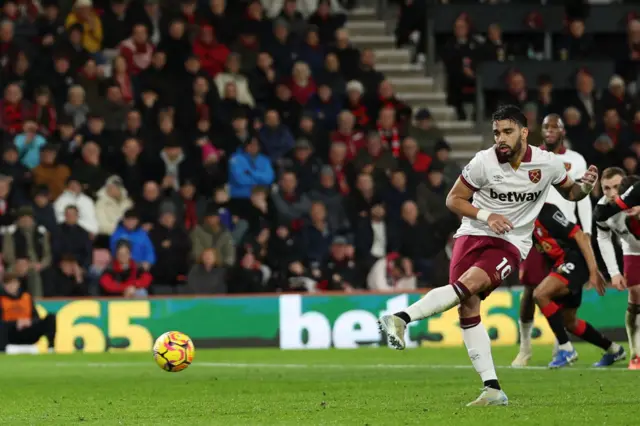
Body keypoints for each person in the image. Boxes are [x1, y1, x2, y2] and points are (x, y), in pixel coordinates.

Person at [378, 105, 599, 406]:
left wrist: (586, 186)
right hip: (471, 234)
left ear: (523, 132)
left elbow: (572, 193)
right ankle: (492, 388)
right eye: (496, 133)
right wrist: (487, 214)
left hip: (509, 242)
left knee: (468, 285)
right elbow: (453, 199)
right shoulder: (483, 162)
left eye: (507, 132)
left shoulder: (548, 164)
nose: (500, 139)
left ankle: (401, 318)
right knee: (466, 306)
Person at [513, 113, 593, 366]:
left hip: (566, 234)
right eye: (545, 127)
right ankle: (525, 347)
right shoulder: (533, 157)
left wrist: (587, 230)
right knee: (529, 291)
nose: (549, 131)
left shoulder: (575, 160)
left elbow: (583, 197)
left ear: (563, 130)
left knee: (561, 293)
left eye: (554, 127)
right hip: (535, 231)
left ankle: (561, 348)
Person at [514, 203, 624, 368]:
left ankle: (566, 349)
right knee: (569, 321)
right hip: (561, 265)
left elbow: (580, 236)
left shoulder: (547, 212)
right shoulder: (523, 221)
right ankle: (614, 349)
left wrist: (593, 270)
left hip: (573, 261)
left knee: (540, 294)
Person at [595, 168, 640, 369]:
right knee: (635, 294)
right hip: (633, 249)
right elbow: (603, 238)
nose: (613, 193)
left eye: (617, 187)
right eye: (607, 188)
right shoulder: (604, 211)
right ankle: (636, 354)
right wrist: (614, 272)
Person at [0, 272, 56, 353]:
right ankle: (2, 350)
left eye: (14, 283)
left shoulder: (26, 297)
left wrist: (30, 322)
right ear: (4, 286)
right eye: (9, 284)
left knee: (51, 317)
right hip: (11, 332)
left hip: (28, 330)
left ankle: (51, 348)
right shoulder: (2, 299)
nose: (12, 286)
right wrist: (15, 323)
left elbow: (36, 317)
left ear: (18, 284)